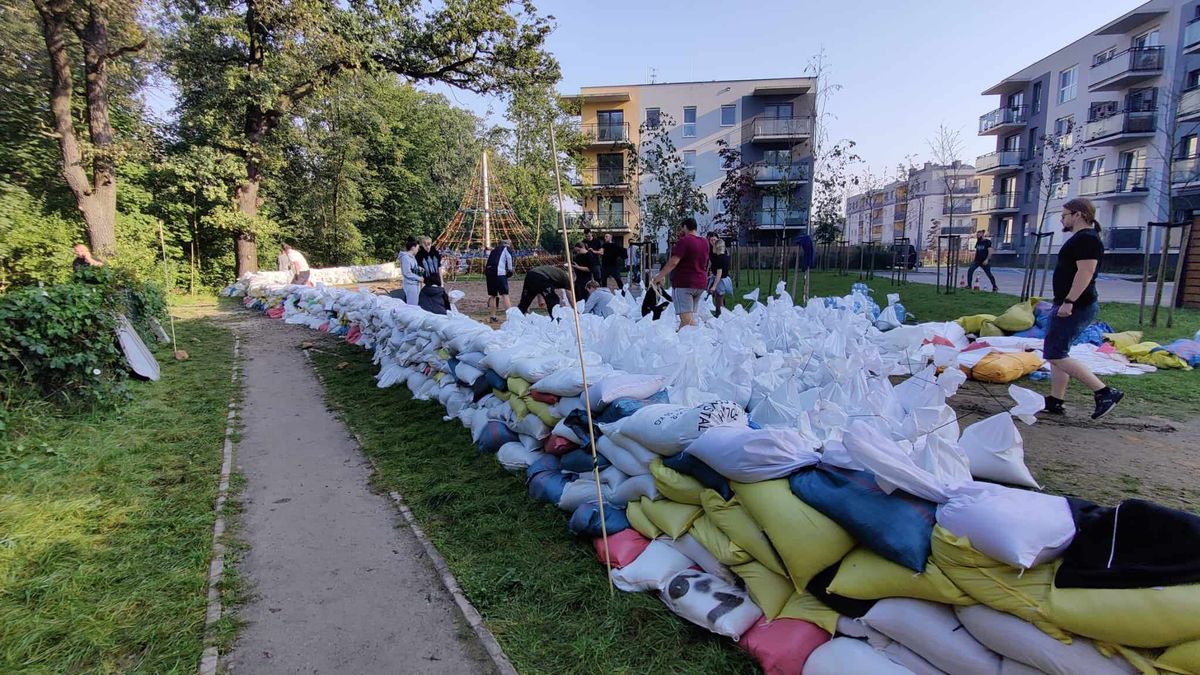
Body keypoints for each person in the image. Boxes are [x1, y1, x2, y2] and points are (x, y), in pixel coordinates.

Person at [1043, 197, 1123, 420]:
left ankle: (1104, 392)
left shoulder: (1087, 239)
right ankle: (1055, 400)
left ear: (1078, 214)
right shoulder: (1082, 238)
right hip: (1069, 303)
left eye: (1064, 215)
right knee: (1056, 352)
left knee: (1055, 353)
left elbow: (1085, 273)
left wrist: (1069, 301)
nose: (1062, 219)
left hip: (1076, 305)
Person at [652, 217, 710, 329]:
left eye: (682, 228)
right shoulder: (705, 242)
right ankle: (680, 341)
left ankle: (701, 340)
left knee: (687, 320)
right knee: (687, 318)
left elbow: (673, 262)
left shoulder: (685, 241)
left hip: (685, 284)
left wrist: (659, 277)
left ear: (685, 227)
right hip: (700, 283)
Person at [485, 239, 515, 322]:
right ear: (507, 244)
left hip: (489, 272)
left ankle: (493, 317)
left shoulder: (494, 250)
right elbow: (509, 258)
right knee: (505, 294)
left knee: (493, 295)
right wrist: (510, 271)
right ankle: (511, 317)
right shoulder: (506, 249)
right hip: (500, 273)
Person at [707, 233, 732, 317]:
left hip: (720, 281)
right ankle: (719, 314)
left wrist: (714, 285)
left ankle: (721, 316)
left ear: (716, 247)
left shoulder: (719, 258)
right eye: (711, 240)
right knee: (718, 299)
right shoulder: (725, 256)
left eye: (714, 241)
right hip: (724, 279)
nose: (713, 243)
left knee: (719, 300)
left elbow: (719, 273)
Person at [397, 237, 421, 304]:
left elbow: (413, 269)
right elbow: (407, 273)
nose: (418, 250)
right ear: (413, 247)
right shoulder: (405, 258)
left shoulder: (413, 258)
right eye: (417, 248)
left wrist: (419, 269)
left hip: (415, 285)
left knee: (416, 305)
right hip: (410, 285)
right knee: (412, 306)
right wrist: (418, 278)